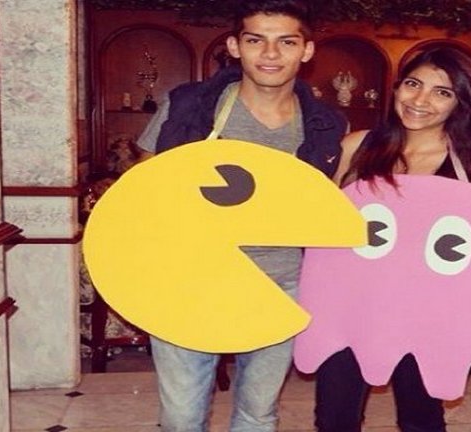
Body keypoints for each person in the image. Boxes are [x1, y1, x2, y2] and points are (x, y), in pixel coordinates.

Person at [313, 46, 471, 432]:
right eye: (413, 84)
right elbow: (321, 226)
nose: (420, 100)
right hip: (352, 308)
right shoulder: (357, 147)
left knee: (421, 420)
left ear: (459, 104)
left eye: (442, 92)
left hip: (430, 315)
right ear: (397, 87)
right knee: (334, 420)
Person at [135, 1, 348, 431]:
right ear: (235, 46)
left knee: (258, 413)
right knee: (181, 417)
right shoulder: (189, 106)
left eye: (286, 42)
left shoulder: (326, 124)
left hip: (280, 285)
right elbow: (144, 186)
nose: (270, 54)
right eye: (256, 40)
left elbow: (329, 204)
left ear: (306, 50)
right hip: (190, 281)